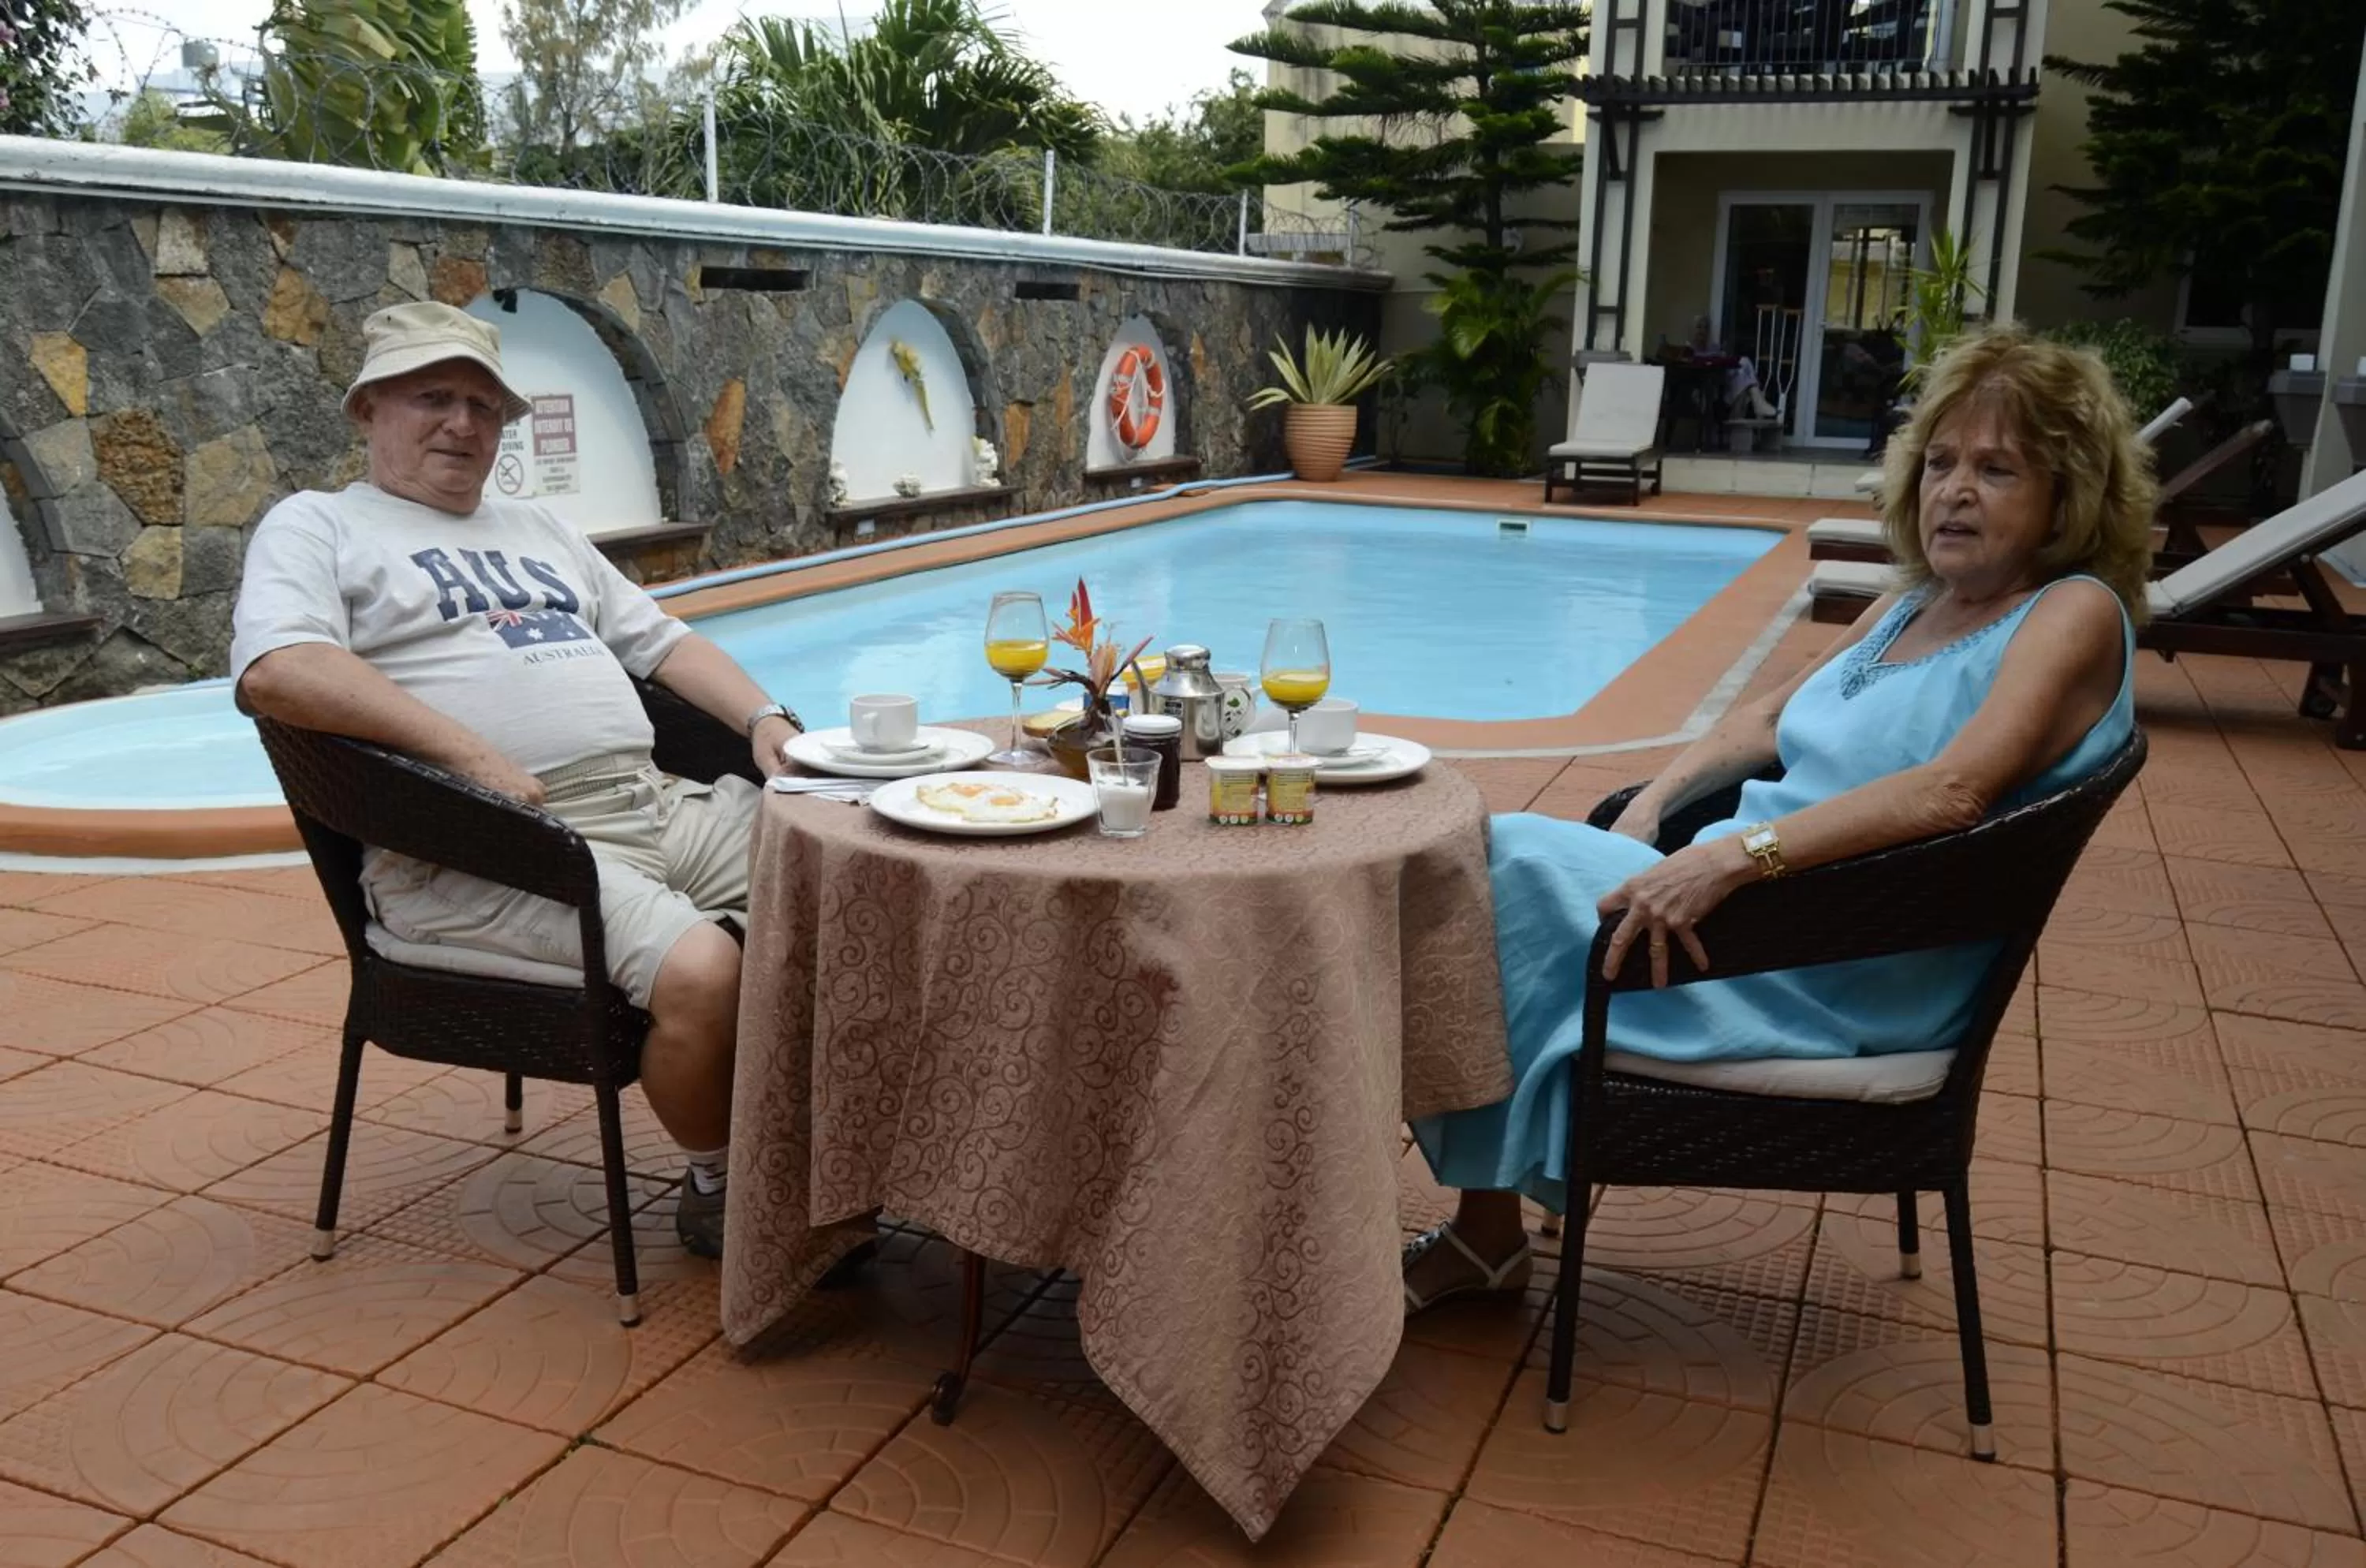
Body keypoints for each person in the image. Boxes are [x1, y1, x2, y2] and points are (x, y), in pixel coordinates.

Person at [1403, 327, 2155, 1309]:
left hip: (1828, 963)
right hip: (1757, 908)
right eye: (1939, 462)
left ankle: (1482, 1230)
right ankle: (1486, 1224)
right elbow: (1763, 720)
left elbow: (1956, 789)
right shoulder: (1916, 601)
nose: (1954, 489)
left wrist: (1732, 860)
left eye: (1997, 468)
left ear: (2070, 493)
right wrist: (1656, 804)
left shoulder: (2071, 612)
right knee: (1478, 866)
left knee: (1483, 872)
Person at [231, 301, 804, 1261]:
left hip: (653, 801)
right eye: (434, 398)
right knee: (707, 970)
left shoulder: (538, 527)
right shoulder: (319, 526)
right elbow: (277, 669)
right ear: (367, 408)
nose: (464, 424)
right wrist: (466, 753)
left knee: (849, 866)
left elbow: (663, 643)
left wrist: (765, 723)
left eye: (485, 406)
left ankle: (842, 1136)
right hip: (483, 846)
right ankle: (718, 1182)